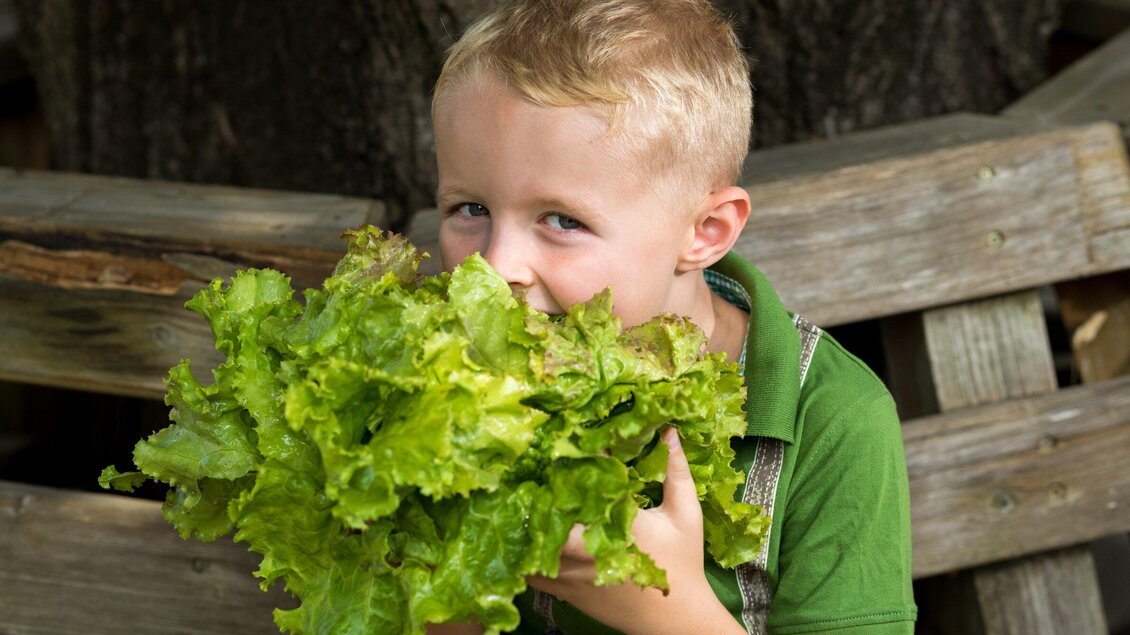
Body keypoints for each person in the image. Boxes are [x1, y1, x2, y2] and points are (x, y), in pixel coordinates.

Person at [426, 0, 917, 633]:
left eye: (562, 220)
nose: (497, 266)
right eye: (469, 209)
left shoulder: (831, 417)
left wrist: (667, 609)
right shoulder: (455, 379)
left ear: (705, 232)